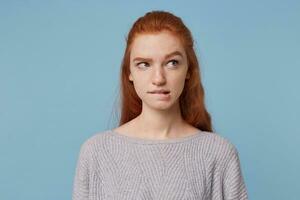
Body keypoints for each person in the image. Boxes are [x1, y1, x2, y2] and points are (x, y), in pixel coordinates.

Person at [72, 10, 248, 200]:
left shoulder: (218, 154)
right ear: (129, 72)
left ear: (188, 69)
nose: (158, 78)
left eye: (172, 63)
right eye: (144, 64)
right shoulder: (97, 152)